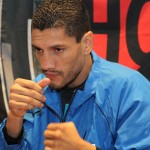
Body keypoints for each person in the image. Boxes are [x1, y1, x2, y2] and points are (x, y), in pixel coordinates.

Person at [0, 0, 150, 149]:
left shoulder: (129, 91)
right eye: (39, 50)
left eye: (58, 49)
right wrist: (14, 121)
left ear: (86, 43)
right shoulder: (37, 90)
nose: (46, 65)